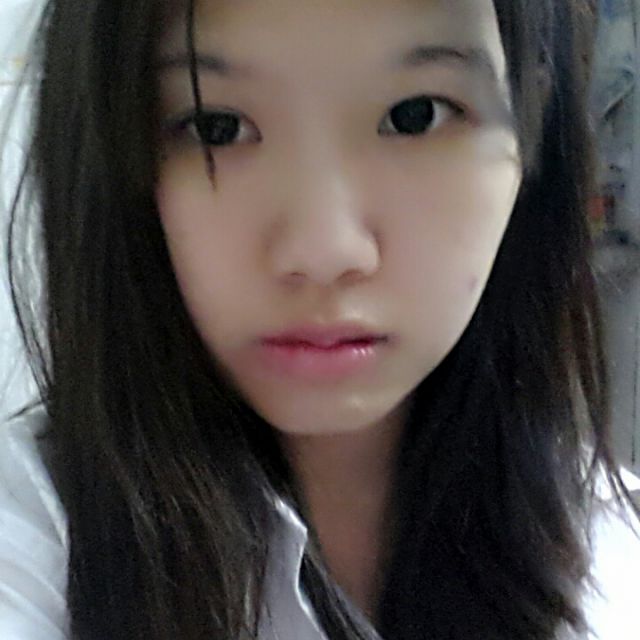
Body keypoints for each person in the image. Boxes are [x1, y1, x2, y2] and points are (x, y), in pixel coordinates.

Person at [1, 0, 640, 638]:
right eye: (216, 127)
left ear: (532, 135)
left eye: (416, 115)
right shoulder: (30, 533)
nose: (324, 251)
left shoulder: (611, 552)